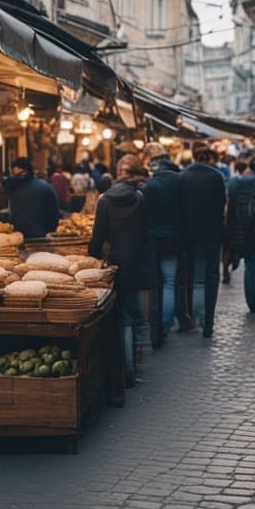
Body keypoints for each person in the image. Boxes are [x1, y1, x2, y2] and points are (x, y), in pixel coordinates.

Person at [88, 155, 155, 386]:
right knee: (140, 320)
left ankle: (126, 373)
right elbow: (148, 233)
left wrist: (93, 262)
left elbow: (97, 239)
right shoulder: (139, 198)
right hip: (139, 264)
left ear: (118, 173)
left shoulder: (105, 200)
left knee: (124, 319)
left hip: (117, 265)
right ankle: (142, 369)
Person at [179, 145, 227, 337]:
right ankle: (208, 322)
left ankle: (195, 318)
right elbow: (222, 203)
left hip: (190, 233)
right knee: (212, 275)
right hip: (212, 233)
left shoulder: (183, 176)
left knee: (195, 277)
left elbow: (179, 205)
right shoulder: (216, 176)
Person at [142, 153, 183, 339]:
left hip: (153, 240)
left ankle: (156, 325)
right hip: (174, 240)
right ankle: (166, 324)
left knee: (156, 284)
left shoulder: (149, 186)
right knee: (169, 282)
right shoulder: (180, 185)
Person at [226, 158, 255, 313]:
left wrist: (233, 232)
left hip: (244, 232)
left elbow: (232, 210)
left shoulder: (237, 185)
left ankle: (251, 304)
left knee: (250, 267)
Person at [6, 157, 61, 238]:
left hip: (20, 237)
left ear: (24, 172)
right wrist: (50, 230)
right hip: (43, 236)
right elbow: (54, 213)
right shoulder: (46, 187)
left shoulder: (13, 188)